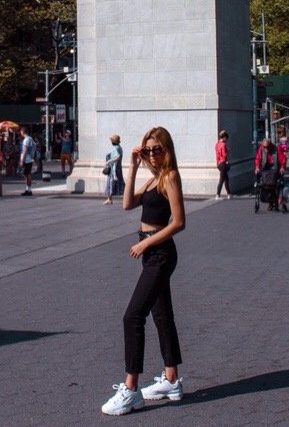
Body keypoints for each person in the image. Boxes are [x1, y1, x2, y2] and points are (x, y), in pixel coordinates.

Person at [101, 126, 186, 415]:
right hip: (150, 251)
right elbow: (127, 204)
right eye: (148, 149)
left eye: (156, 149)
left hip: (160, 253)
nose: (152, 153)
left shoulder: (170, 177)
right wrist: (133, 167)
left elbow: (179, 222)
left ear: (167, 150)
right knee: (161, 314)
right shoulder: (153, 179)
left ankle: (131, 388)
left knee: (132, 316)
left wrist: (146, 242)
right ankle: (171, 379)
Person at [102, 132, 124, 203]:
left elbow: (117, 157)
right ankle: (109, 198)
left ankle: (110, 198)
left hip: (114, 169)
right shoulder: (118, 147)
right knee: (118, 182)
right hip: (116, 168)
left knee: (111, 183)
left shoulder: (116, 148)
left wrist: (109, 161)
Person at [213, 129, 229, 199]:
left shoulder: (217, 144)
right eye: (226, 137)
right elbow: (224, 155)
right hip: (223, 163)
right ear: (224, 137)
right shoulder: (223, 145)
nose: (226, 139)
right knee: (222, 179)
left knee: (226, 179)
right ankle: (217, 194)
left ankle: (229, 193)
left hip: (218, 163)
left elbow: (217, 154)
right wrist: (227, 151)